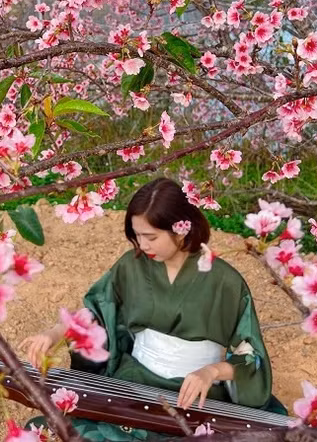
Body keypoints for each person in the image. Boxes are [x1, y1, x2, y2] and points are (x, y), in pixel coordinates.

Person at [20, 177, 286, 440]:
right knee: (47, 429)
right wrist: (55, 333)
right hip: (133, 380)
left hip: (194, 392)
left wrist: (212, 371)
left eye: (151, 236)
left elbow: (250, 356)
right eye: (136, 236)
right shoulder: (131, 266)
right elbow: (99, 312)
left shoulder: (225, 280)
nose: (142, 245)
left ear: (181, 230)